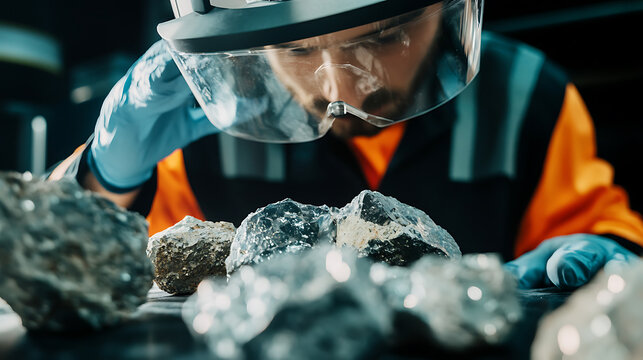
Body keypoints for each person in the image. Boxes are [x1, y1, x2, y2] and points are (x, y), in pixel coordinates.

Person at [50, 0, 643, 290]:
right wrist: (105, 178)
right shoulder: (203, 122)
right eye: (299, 50)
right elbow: (75, 278)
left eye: (383, 36)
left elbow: (604, 239)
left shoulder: (529, 101)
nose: (338, 88)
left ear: (443, 13)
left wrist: (618, 264)